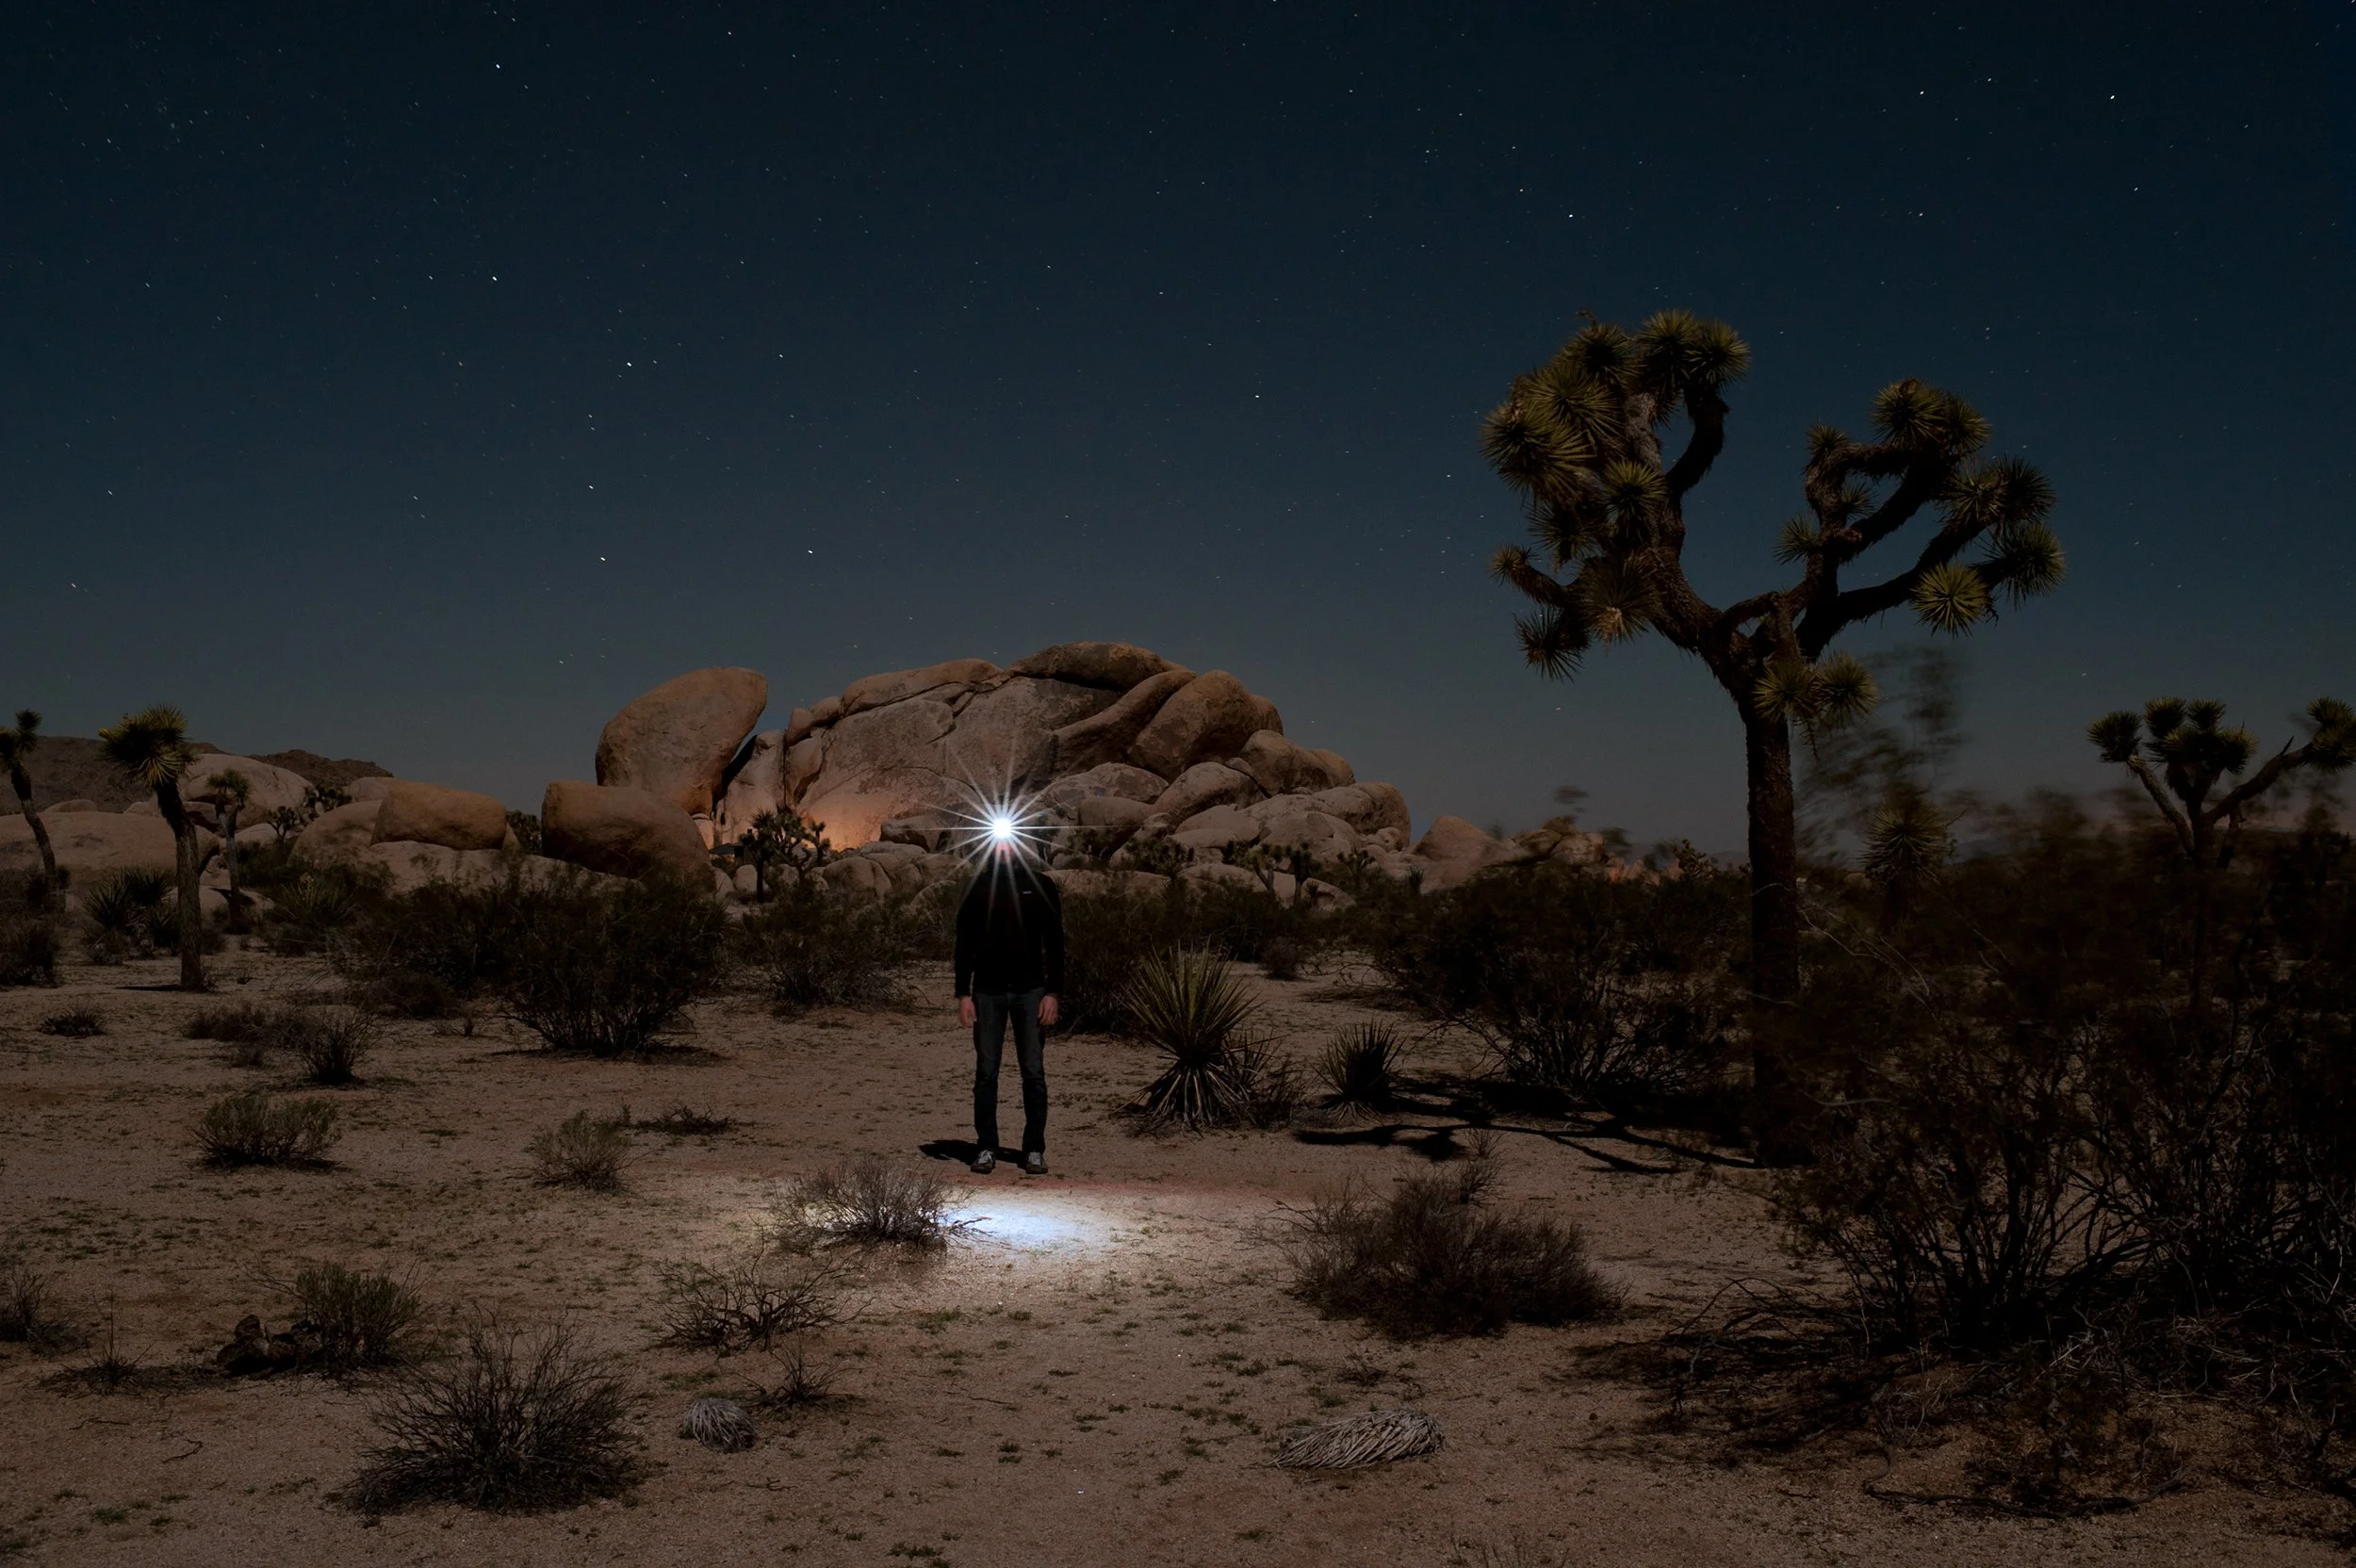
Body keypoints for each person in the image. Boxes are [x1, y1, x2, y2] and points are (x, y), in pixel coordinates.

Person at [952, 837, 1064, 1175]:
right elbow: (964, 943)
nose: (1004, 851)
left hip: (1031, 991)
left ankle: (1034, 1150)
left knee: (1033, 1072)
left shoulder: (1041, 885)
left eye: (1010, 844)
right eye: (998, 845)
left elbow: (1056, 942)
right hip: (987, 991)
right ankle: (986, 1147)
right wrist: (963, 994)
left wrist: (1053, 993)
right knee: (986, 1073)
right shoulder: (976, 887)